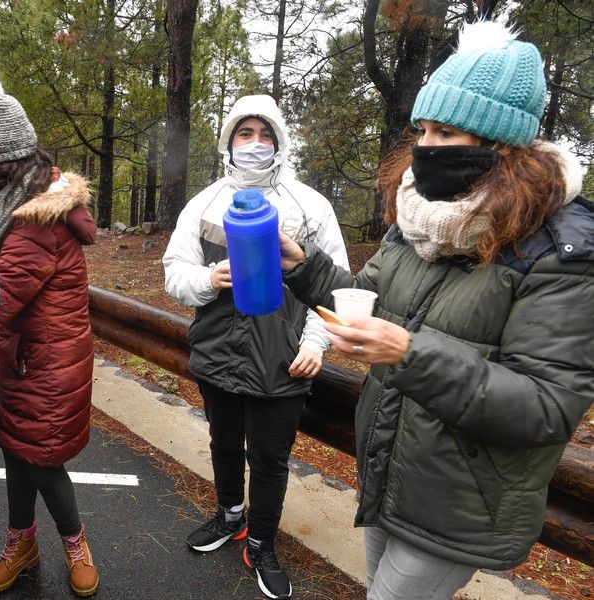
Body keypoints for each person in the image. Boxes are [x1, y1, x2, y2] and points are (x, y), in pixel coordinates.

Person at [277, 21, 593, 600]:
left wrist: (409, 353)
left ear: (501, 146)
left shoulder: (559, 250)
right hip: (391, 468)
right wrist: (303, 266)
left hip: (462, 497)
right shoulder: (420, 219)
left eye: (445, 131)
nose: (424, 146)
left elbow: (547, 406)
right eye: (421, 128)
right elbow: (361, 301)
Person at [162, 94, 349, 599]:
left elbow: (336, 283)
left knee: (269, 458)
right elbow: (173, 272)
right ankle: (229, 516)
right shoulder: (204, 204)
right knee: (223, 443)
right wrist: (207, 277)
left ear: (280, 142)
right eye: (244, 134)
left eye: (264, 134)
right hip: (218, 352)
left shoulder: (310, 206)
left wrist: (315, 342)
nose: (255, 144)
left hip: (283, 360)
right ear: (228, 142)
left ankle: (262, 541)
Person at [0, 70, 99, 597]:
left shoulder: (34, 223)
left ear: (6, 163)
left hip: (48, 365)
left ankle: (75, 543)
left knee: (42, 462)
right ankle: (22, 544)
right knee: (16, 453)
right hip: (26, 359)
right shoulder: (15, 205)